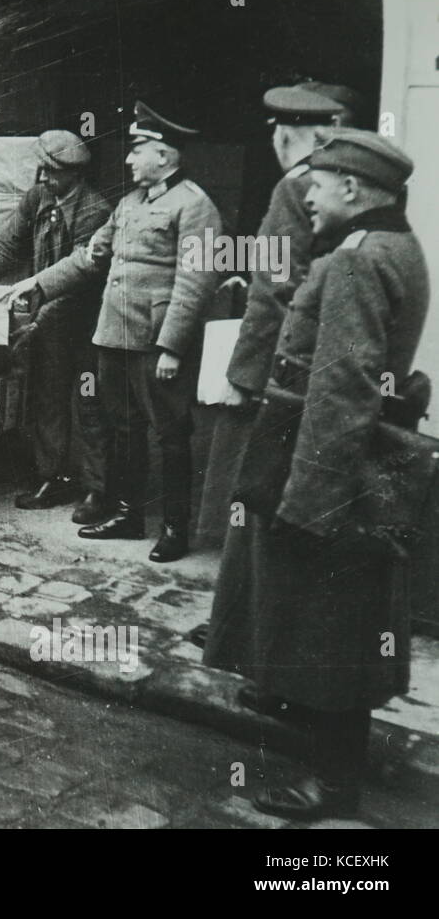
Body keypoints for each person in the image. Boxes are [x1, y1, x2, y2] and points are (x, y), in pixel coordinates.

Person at [203, 129, 429, 820]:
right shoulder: (398, 247)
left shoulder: (356, 263)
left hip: (333, 472)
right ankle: (325, 762)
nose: (308, 194)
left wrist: (311, 501)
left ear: (354, 190)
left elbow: (341, 391)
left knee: (332, 630)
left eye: (321, 184)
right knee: (334, 624)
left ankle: (331, 786)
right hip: (348, 466)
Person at [3, 102, 224, 562]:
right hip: (114, 337)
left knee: (170, 434)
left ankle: (175, 528)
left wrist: (172, 347)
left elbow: (194, 282)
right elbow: (89, 259)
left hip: (155, 342)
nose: (128, 159)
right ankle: (128, 514)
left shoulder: (195, 206)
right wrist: (36, 282)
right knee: (125, 430)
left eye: (138, 149)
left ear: (164, 155)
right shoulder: (127, 204)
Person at [189, 82, 356, 643]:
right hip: (320, 369)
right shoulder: (353, 191)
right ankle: (249, 626)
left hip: (277, 372)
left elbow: (274, 290)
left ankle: (233, 628)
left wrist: (244, 374)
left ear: (288, 134)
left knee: (248, 499)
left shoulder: (295, 186)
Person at [0, 129, 112, 522]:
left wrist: (37, 319)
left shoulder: (95, 210)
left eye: (52, 172)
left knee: (90, 402)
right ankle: (52, 477)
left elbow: (83, 273)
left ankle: (97, 489)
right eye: (41, 168)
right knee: (48, 397)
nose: (43, 178)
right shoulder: (37, 197)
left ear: (74, 175)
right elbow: (8, 246)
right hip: (49, 321)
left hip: (86, 322)